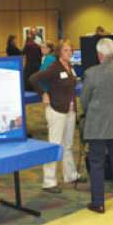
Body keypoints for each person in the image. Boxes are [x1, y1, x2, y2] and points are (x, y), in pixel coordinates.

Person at [81, 38, 113, 214]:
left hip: (97, 127)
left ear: (99, 54)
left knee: (96, 165)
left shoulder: (91, 73)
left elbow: (84, 101)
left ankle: (98, 203)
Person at [29, 40, 82, 193]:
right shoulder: (54, 68)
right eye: (66, 50)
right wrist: (43, 93)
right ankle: (49, 182)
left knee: (68, 145)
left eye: (70, 50)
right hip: (56, 111)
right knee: (54, 145)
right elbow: (33, 79)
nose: (69, 53)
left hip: (70, 111)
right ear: (59, 52)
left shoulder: (69, 67)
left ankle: (70, 175)